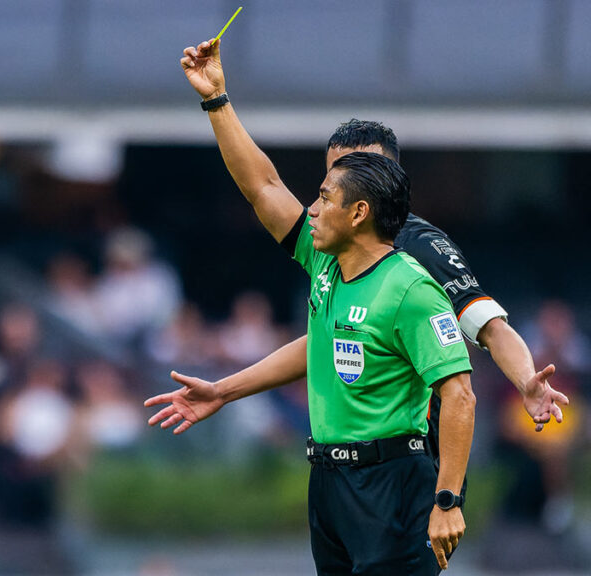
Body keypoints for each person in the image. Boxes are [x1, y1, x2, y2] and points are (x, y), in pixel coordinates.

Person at [147, 40, 477, 574]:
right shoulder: (326, 262)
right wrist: (216, 100)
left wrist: (447, 501)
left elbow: (459, 395)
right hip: (328, 481)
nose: (313, 208)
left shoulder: (411, 289)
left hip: (392, 484)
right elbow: (262, 184)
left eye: (325, 198)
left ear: (359, 213)